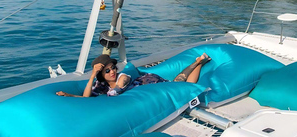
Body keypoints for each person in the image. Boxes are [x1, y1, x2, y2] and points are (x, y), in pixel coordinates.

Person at [56, 52, 211, 97]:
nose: (112, 72)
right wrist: (70, 95)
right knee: (178, 80)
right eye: (107, 71)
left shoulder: (122, 77)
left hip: (149, 82)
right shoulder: (100, 85)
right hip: (145, 86)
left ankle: (198, 63)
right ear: (101, 75)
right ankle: (198, 61)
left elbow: (117, 90)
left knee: (182, 84)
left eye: (113, 68)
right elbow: (87, 98)